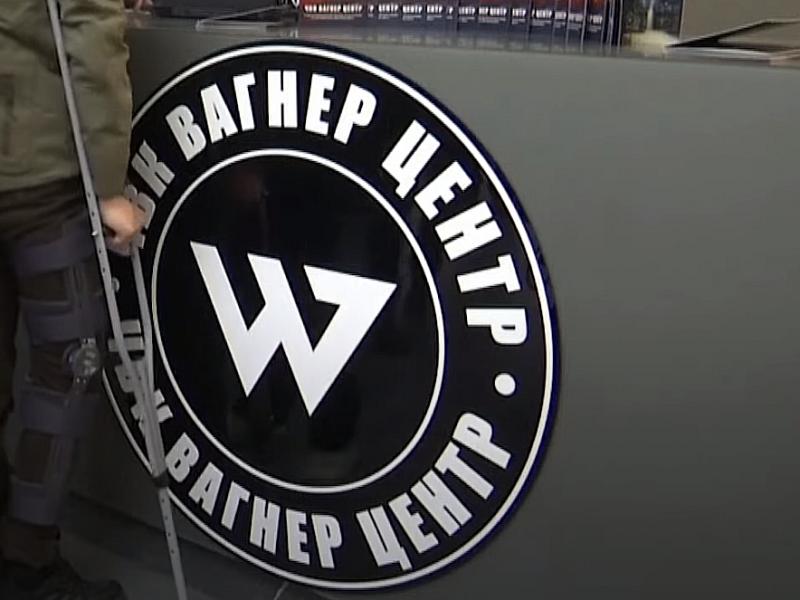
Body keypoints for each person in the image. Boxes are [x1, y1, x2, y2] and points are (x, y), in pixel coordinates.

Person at [0, 0, 146, 598]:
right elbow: (89, 29)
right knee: (69, 368)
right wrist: (108, 188)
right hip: (34, 175)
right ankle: (26, 563)